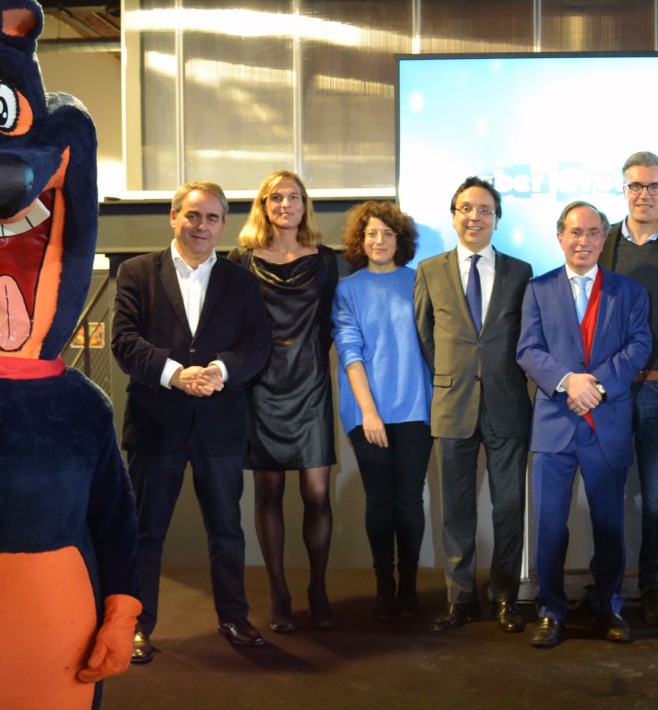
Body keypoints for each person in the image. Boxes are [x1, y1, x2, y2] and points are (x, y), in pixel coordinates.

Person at [111, 180, 272, 663]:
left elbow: (257, 345)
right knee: (145, 532)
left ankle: (233, 617)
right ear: (173, 217)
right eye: (193, 216)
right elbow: (123, 340)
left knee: (227, 530)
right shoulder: (138, 272)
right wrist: (177, 374)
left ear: (224, 225)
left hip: (219, 425)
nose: (202, 226)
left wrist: (218, 372)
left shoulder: (243, 281)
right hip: (156, 423)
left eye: (213, 218)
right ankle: (136, 626)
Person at [516, 201, 652, 649]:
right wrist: (567, 382)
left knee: (610, 525)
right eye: (575, 232)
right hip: (555, 424)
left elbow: (639, 347)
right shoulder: (538, 289)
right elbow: (528, 351)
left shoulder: (629, 291)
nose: (584, 241)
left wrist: (595, 386)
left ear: (604, 238)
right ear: (560, 236)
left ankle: (608, 606)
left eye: (594, 233)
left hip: (606, 421)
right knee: (550, 526)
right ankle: (550, 610)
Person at [413, 177, 534, 633]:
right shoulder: (430, 270)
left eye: (484, 210)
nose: (475, 216)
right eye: (466, 208)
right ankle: (459, 599)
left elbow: (528, 336)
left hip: (507, 406)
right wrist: (450, 375)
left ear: (496, 220)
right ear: (453, 215)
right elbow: (425, 335)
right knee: (456, 510)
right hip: (452, 405)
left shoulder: (520, 272)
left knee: (508, 508)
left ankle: (505, 598)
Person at [229, 170, 341, 632]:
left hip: (311, 381)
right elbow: (232, 323)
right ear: (264, 204)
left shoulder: (328, 260)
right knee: (268, 491)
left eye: (294, 197)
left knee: (316, 493)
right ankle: (279, 595)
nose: (286, 204)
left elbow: (333, 323)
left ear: (304, 206)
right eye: (277, 197)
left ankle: (318, 588)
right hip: (261, 385)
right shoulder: (239, 259)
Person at [596, 151, 658, 625]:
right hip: (611, 392)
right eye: (636, 186)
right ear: (623, 189)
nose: (644, 195)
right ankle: (607, 588)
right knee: (608, 494)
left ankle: (653, 588)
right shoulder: (604, 240)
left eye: (653, 186)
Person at [332, 201, 434, 620]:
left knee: (409, 501)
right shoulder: (348, 289)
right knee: (379, 501)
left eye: (387, 234)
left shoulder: (420, 282)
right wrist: (370, 412)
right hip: (365, 411)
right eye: (371, 233)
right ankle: (383, 586)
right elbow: (350, 351)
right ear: (361, 240)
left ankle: (408, 586)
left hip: (415, 408)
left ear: (400, 241)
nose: (379, 241)